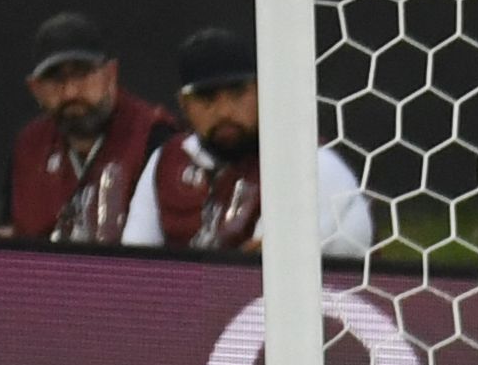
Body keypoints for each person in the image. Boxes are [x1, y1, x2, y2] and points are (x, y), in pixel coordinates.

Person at [121, 25, 372, 259]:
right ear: (184, 105)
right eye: (206, 98)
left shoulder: (310, 164)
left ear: (263, 90)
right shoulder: (166, 161)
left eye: (238, 93)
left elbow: (267, 273)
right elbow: (137, 265)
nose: (225, 112)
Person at [2, 11, 175, 246]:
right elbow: (6, 240)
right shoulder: (29, 146)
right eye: (56, 79)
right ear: (35, 89)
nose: (71, 92)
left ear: (110, 74)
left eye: (83, 74)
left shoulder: (154, 136)